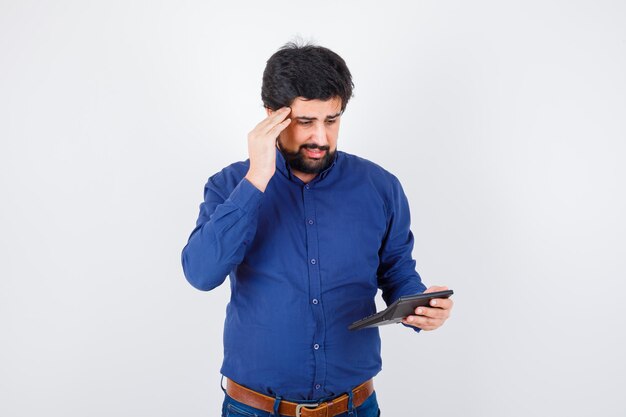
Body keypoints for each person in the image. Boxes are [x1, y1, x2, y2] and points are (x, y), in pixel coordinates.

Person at [181, 42, 453, 417]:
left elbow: (397, 272)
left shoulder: (380, 187)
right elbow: (200, 273)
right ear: (271, 116)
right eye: (306, 121)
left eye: (332, 120)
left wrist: (421, 305)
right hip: (255, 409)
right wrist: (257, 179)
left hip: (354, 407)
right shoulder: (229, 186)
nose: (321, 138)